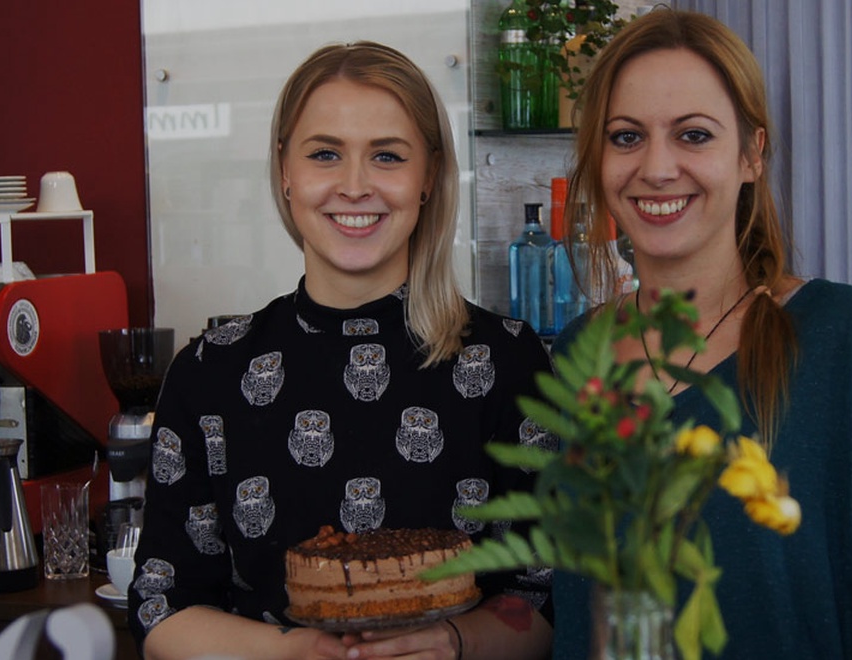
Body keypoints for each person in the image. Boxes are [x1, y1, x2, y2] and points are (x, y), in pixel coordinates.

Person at [550, 9, 852, 659]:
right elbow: (567, 602)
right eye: (626, 137)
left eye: (693, 135)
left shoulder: (842, 337)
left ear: (752, 155)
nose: (656, 168)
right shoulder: (576, 353)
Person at [127, 41, 554, 660]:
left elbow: (543, 596)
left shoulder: (509, 364)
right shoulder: (209, 373)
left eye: (387, 155)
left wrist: (454, 642)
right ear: (285, 171)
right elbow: (163, 608)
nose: (354, 186)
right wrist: (294, 653)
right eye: (325, 153)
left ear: (430, 174)